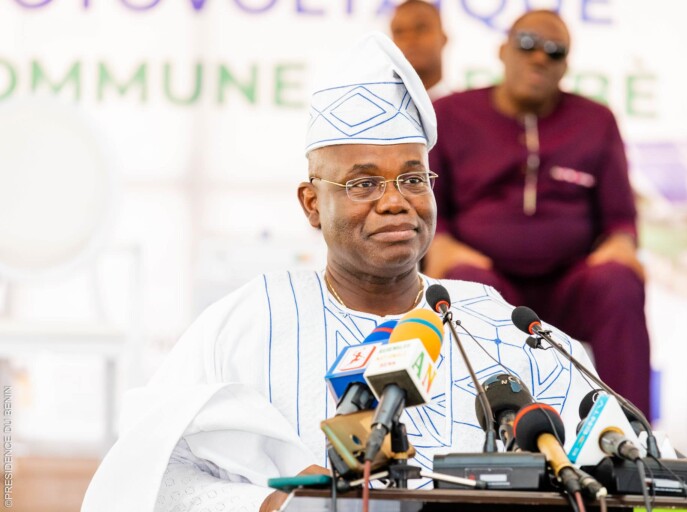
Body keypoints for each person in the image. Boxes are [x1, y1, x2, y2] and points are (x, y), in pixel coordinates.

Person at [82, 32, 598, 512]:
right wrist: (276, 505)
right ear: (311, 204)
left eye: (413, 178)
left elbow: (606, 446)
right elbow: (149, 470)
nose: (396, 202)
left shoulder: (493, 322)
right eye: (363, 184)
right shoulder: (247, 321)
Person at [425, 9, 651, 417]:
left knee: (619, 282)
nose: (539, 58)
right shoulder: (452, 113)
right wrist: (440, 245)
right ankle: (492, 437)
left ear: (566, 65)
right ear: (503, 50)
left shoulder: (595, 121)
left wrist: (620, 246)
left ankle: (633, 438)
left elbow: (620, 219)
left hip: (569, 283)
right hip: (486, 279)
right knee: (462, 283)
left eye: (555, 51)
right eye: (527, 44)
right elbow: (431, 207)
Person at [390, 0, 451, 101]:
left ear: (443, 38)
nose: (409, 39)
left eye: (421, 28)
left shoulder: (467, 112)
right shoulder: (375, 113)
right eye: (399, 32)